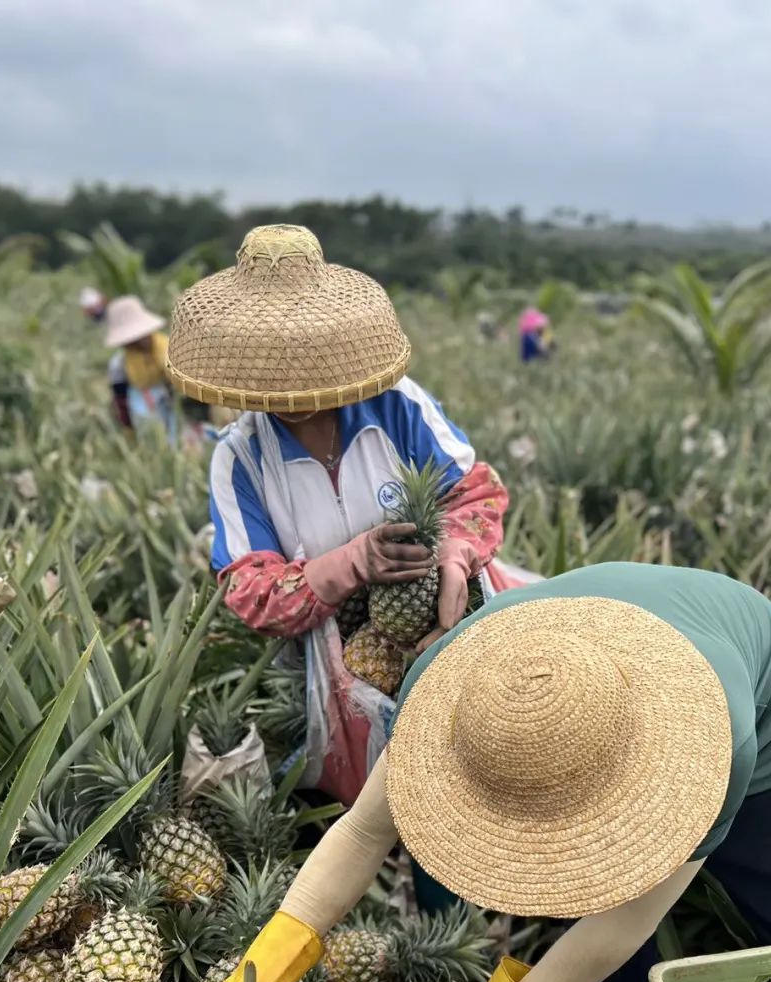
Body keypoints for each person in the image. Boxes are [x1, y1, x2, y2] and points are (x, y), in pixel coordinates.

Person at [183, 562, 771, 982]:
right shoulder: (445, 686)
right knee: (599, 964)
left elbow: (632, 914)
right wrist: (261, 969)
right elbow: (363, 830)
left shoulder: (718, 740)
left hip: (760, 716)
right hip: (584, 655)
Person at [165, 224, 523, 813]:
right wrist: (352, 562)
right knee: (390, 801)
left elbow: (476, 493)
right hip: (337, 657)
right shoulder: (240, 458)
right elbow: (249, 589)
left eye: (306, 360)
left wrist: (456, 555)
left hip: (450, 608)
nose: (294, 387)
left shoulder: (399, 404)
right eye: (274, 369)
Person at [103, 295, 176, 440]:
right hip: (148, 417)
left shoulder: (169, 348)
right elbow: (121, 401)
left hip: (175, 408)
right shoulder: (119, 365)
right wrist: (129, 429)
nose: (141, 341)